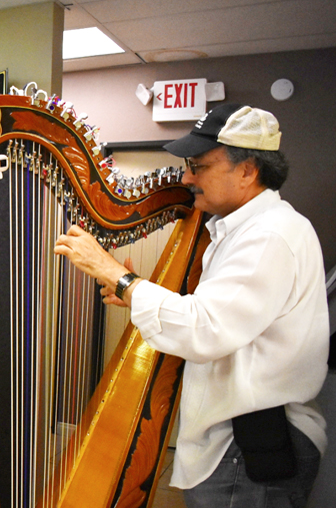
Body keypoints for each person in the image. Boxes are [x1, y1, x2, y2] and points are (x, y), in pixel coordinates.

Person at [54, 103, 328, 507]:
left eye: (198, 166)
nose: (186, 178)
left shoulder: (270, 235)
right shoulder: (240, 230)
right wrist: (134, 295)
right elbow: (229, 316)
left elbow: (206, 330)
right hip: (238, 435)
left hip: (251, 444)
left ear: (247, 170)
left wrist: (120, 277)